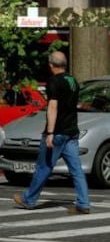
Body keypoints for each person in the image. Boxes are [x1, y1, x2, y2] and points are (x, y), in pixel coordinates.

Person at [14, 51, 90, 214]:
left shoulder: (54, 82)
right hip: (71, 131)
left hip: (58, 132)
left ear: (51, 65)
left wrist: (50, 133)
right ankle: (83, 203)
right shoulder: (73, 80)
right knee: (76, 169)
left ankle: (29, 199)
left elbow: (53, 106)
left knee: (44, 167)